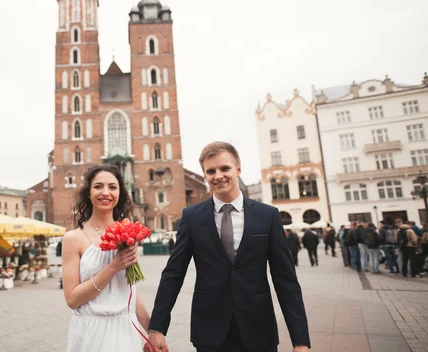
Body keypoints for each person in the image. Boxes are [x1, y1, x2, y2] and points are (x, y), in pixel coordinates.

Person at [148, 142, 310, 352]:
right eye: (211, 171)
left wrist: (301, 341)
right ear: (204, 175)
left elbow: (286, 280)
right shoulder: (192, 217)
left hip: (259, 329)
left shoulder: (267, 216)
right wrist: (157, 328)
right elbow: (173, 274)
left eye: (225, 168)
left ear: (238, 169)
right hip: (210, 331)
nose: (218, 176)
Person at [62, 165, 152, 352]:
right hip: (91, 331)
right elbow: (72, 299)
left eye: (112, 187)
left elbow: (129, 292)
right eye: (98, 186)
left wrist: (153, 332)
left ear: (120, 193)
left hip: (125, 328)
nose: (105, 192)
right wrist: (113, 267)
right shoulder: (73, 238)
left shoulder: (128, 234)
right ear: (88, 192)